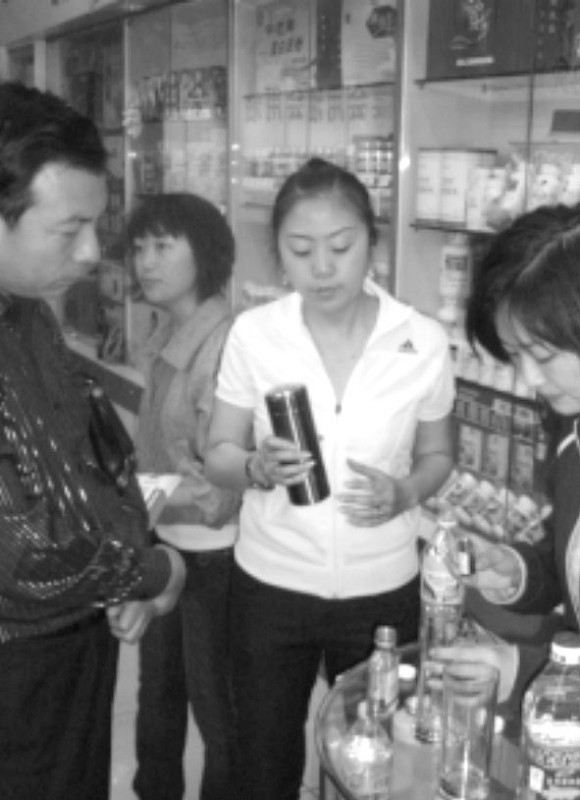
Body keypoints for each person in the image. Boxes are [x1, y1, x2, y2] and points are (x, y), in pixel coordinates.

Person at [205, 157, 456, 800]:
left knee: (377, 765)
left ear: (371, 241)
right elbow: (219, 454)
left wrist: (405, 493)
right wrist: (257, 467)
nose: (322, 267)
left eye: (341, 247)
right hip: (271, 587)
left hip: (383, 591)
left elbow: (438, 455)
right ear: (279, 253)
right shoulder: (255, 334)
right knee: (262, 764)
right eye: (300, 249)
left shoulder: (422, 340)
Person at [0, 81, 186, 799]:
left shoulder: (28, 315)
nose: (90, 250)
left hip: (74, 640)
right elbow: (24, 554)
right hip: (20, 667)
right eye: (68, 228)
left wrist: (125, 554)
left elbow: (95, 458)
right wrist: (152, 572)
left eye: (96, 224)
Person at [439, 203, 580, 709]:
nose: (530, 379)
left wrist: (521, 671)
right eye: (515, 355)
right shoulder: (570, 434)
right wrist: (520, 572)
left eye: (542, 355)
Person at [127, 193, 240, 800]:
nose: (145, 261)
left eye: (163, 246)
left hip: (213, 557)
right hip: (167, 542)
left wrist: (135, 496)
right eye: (139, 246)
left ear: (206, 254)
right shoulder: (166, 333)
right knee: (157, 700)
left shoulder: (222, 344)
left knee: (217, 714)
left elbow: (220, 492)